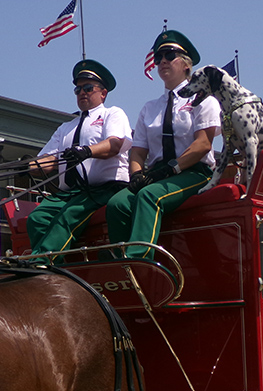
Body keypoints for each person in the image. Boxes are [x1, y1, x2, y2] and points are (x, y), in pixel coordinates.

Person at [106, 30, 221, 259]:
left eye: (169, 55)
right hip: (158, 174)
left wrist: (173, 168)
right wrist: (137, 176)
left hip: (194, 171)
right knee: (116, 204)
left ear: (187, 64)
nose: (163, 62)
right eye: (158, 58)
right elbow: (138, 151)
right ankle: (118, 264)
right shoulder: (149, 108)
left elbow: (203, 145)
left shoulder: (203, 99)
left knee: (150, 196)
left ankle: (138, 261)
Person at [26, 59, 132, 261]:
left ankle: (41, 264)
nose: (82, 92)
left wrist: (87, 151)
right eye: (78, 89)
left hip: (105, 188)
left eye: (88, 87)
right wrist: (29, 166)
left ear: (103, 93)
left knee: (69, 215)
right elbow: (47, 161)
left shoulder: (113, 114)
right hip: (71, 192)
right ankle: (58, 267)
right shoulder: (66, 127)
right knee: (37, 218)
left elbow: (114, 144)